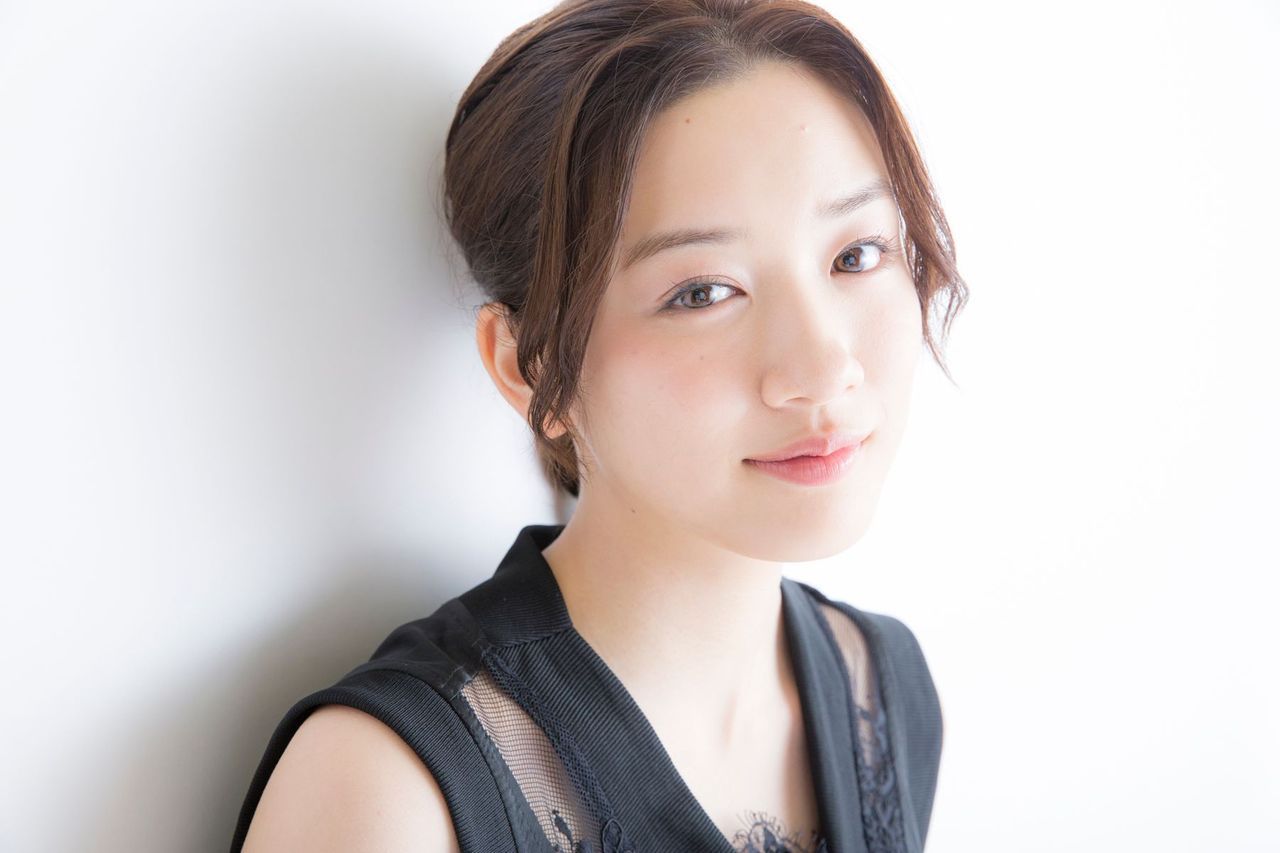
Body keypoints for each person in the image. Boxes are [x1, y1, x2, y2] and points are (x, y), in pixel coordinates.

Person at [230, 1, 968, 851]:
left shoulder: (881, 688)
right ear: (530, 368)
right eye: (703, 292)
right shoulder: (387, 788)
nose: (823, 366)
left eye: (856, 254)